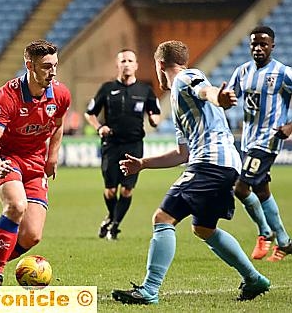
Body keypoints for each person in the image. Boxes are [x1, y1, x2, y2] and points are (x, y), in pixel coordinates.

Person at [112, 40, 270, 304]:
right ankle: (254, 279)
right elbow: (181, 154)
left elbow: (205, 90)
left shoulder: (186, 77)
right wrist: (143, 163)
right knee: (204, 229)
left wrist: (217, 98)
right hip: (221, 164)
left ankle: (150, 289)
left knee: (163, 218)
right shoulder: (177, 98)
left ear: (159, 64)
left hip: (211, 163)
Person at [0, 39, 71, 286]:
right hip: (6, 159)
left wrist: (52, 156)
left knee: (32, 236)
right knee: (16, 206)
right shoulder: (8, 94)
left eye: (54, 65)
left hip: (35, 164)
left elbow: (59, 124)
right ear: (29, 65)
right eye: (45, 67)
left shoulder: (61, 94)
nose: (52, 72)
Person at [228, 26, 292, 262]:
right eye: (254, 44)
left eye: (263, 44)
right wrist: (224, 100)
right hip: (248, 140)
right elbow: (229, 99)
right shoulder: (243, 71)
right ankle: (285, 242)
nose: (258, 48)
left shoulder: (283, 73)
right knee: (262, 190)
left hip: (268, 140)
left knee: (240, 188)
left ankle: (265, 232)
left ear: (272, 46)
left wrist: (289, 126)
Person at [84, 49, 160, 240]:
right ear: (117, 65)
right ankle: (111, 216)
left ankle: (114, 226)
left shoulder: (145, 90)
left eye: (130, 60)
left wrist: (153, 119)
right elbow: (90, 113)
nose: (126, 64)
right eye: (123, 60)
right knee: (110, 190)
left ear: (136, 65)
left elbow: (155, 112)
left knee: (127, 189)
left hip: (134, 145)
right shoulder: (107, 89)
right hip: (111, 144)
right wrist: (99, 127)